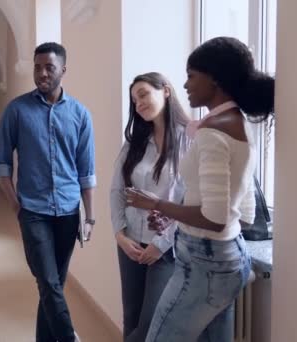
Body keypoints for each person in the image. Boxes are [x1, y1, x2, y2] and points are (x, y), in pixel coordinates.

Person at [126, 37, 274, 342]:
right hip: (229, 256)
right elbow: (241, 214)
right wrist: (176, 219)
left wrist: (158, 205)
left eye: (192, 75)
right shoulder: (240, 124)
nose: (185, 84)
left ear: (215, 78)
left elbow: (215, 218)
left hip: (205, 263)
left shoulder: (214, 130)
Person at [0, 42, 96, 342]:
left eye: (49, 67)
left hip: (67, 212)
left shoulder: (80, 114)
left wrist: (90, 217)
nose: (41, 73)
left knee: (53, 285)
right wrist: (16, 206)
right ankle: (69, 338)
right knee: (49, 283)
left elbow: (86, 171)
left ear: (63, 70)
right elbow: (1, 164)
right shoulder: (17, 110)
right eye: (37, 67)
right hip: (33, 212)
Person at [110, 72, 190, 342]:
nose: (138, 103)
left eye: (143, 94)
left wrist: (163, 242)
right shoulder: (134, 143)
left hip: (166, 250)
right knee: (131, 317)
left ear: (165, 91)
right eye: (134, 99)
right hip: (130, 243)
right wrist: (120, 234)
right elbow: (116, 190)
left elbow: (192, 202)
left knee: (151, 324)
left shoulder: (189, 140)